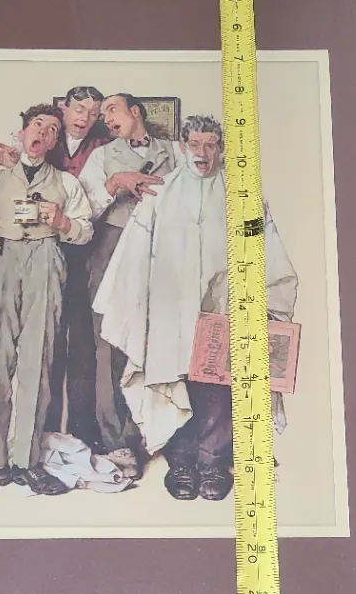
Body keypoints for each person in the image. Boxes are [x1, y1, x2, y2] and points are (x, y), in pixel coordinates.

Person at [92, 115, 297, 501]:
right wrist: (135, 305)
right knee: (173, 378)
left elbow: (264, 248)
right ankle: (181, 462)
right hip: (169, 309)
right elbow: (134, 255)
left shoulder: (245, 198)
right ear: (183, 146)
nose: (202, 153)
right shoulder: (159, 196)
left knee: (216, 384)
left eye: (210, 145)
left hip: (221, 306)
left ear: (220, 149)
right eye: (195, 144)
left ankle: (212, 461)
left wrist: (267, 302)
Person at [0, 104, 93, 501]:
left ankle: (26, 463)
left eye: (52, 130)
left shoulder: (66, 183)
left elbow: (84, 230)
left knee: (38, 362)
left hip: (45, 262)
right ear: (22, 133)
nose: (43, 133)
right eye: (37, 125)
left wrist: (62, 222)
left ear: (54, 143)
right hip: (0, 260)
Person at [0, 86, 110, 448]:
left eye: (94, 113)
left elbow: (85, 223)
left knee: (55, 354)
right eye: (79, 109)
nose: (85, 118)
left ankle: (42, 449)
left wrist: (63, 222)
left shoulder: (87, 162)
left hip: (63, 260)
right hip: (8, 259)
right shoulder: (5, 169)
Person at [78, 94, 177, 472]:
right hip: (112, 247)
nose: (106, 118)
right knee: (111, 341)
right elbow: (82, 209)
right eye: (102, 114)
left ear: (135, 112)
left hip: (163, 251)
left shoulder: (175, 151)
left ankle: (163, 435)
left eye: (112, 110)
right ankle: (118, 442)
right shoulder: (102, 156)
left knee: (165, 338)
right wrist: (115, 183)